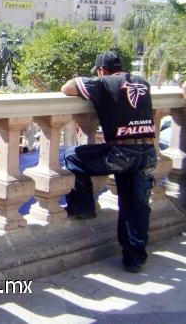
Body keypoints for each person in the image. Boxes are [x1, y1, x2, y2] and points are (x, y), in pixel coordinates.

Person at [61, 51, 157, 274]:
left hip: (123, 153)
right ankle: (135, 259)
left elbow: (67, 88)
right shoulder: (142, 82)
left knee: (73, 155)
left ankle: (83, 207)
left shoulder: (103, 82)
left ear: (102, 70)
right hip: (148, 153)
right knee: (137, 206)